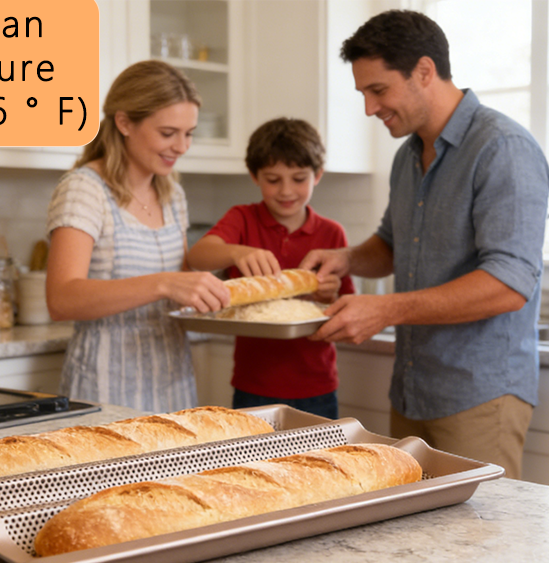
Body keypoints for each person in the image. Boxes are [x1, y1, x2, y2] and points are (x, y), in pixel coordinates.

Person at [299, 10, 549, 478]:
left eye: (378, 90)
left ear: (424, 72)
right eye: (363, 94)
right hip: (414, 387)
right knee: (415, 535)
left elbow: (509, 285)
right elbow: (392, 246)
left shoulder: (502, 148)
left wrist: (386, 309)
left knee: (480, 540)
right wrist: (346, 258)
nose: (370, 109)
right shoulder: (408, 155)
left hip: (479, 394)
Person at [45, 60, 230, 412]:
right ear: (125, 122)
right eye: (168, 133)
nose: (182, 146)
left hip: (173, 384)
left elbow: (180, 285)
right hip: (105, 390)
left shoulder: (172, 194)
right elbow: (62, 298)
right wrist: (164, 284)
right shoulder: (85, 189)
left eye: (188, 133)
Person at [186, 118, 355, 419]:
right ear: (254, 175)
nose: (286, 191)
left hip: (316, 386)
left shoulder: (332, 234)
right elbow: (198, 256)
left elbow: (346, 308)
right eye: (273, 179)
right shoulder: (243, 219)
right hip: (254, 384)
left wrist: (330, 295)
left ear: (318, 175)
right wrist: (236, 252)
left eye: (299, 178)